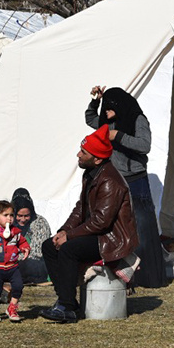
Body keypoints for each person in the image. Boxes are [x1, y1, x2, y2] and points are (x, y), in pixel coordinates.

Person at [41, 125, 139, 323]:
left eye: (83, 152)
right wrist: (63, 231)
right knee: (49, 246)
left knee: (69, 249)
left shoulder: (110, 181)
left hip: (112, 239)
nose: (78, 154)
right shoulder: (92, 173)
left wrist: (70, 236)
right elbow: (81, 208)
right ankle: (65, 300)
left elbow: (101, 222)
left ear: (97, 158)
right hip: (98, 233)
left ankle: (67, 308)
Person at [86, 85, 165, 288]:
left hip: (135, 179)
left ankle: (149, 276)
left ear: (120, 105)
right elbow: (90, 119)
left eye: (110, 106)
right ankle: (126, 275)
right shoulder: (108, 121)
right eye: (105, 106)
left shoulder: (138, 119)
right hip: (116, 179)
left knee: (142, 225)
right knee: (120, 227)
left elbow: (144, 145)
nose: (106, 110)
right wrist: (96, 100)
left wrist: (118, 136)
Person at [12, 187, 51, 284]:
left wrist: (12, 257)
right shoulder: (8, 222)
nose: (23, 219)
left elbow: (37, 253)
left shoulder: (40, 223)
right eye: (19, 216)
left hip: (35, 264)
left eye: (26, 216)